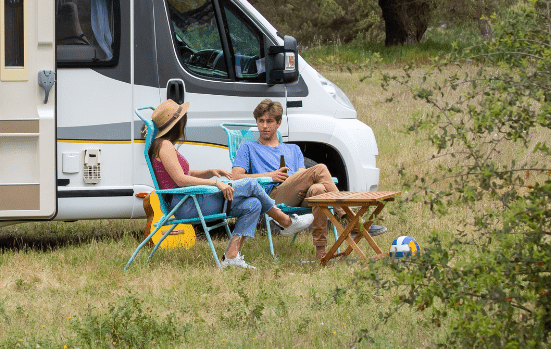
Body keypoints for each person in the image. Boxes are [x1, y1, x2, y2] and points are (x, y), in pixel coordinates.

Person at [148, 99, 313, 269]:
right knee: (249, 184)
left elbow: (184, 174)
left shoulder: (164, 145)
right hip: (186, 203)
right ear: (177, 124)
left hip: (190, 200)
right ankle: (285, 221)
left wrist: (208, 171)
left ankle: (231, 257)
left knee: (253, 204)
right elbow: (181, 180)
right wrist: (215, 183)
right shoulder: (165, 146)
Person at [230, 99, 386, 261]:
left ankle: (321, 254)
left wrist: (294, 180)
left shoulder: (292, 149)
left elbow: (303, 176)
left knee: (318, 191)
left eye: (269, 121)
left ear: (278, 123)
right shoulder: (248, 147)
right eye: (261, 121)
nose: (264, 126)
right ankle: (350, 219)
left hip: (297, 193)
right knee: (320, 168)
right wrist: (271, 176)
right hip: (273, 196)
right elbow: (235, 177)